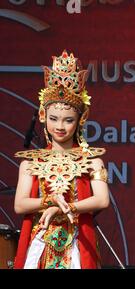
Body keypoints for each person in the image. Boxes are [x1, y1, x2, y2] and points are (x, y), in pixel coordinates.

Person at [13, 50, 110, 269]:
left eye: (68, 120)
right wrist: (50, 202)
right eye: (54, 118)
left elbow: (102, 200)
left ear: (80, 120)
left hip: (76, 241)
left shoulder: (92, 160)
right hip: (40, 244)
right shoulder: (31, 163)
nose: (60, 126)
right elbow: (20, 204)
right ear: (42, 116)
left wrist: (65, 208)